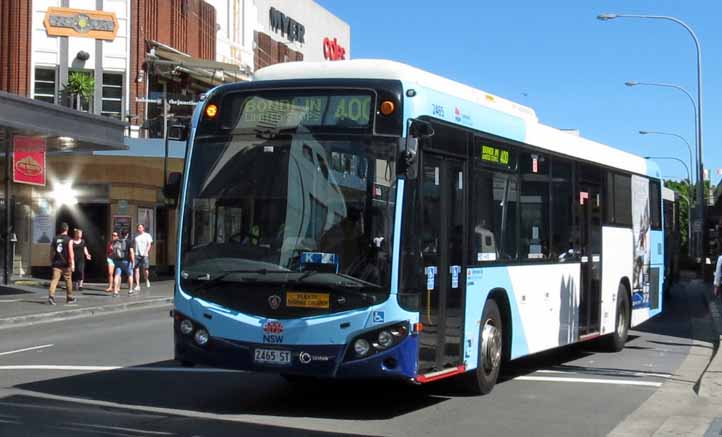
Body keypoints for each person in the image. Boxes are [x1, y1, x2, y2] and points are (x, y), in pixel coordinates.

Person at [47, 222, 75, 305]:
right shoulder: (69, 239)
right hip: (66, 264)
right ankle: (69, 298)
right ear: (67, 229)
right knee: (68, 280)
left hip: (57, 263)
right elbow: (71, 252)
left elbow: (51, 252)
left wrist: (51, 260)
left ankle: (51, 297)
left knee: (54, 280)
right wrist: (72, 263)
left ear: (60, 229)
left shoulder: (55, 239)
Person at [111, 229, 135, 296]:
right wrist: (133, 261)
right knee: (130, 275)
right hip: (126, 261)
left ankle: (115, 291)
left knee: (117, 275)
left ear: (121, 234)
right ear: (127, 235)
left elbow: (113, 250)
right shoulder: (129, 242)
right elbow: (131, 252)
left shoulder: (117, 241)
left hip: (118, 260)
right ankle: (130, 290)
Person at [133, 224, 153, 290]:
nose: (139, 228)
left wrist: (146, 252)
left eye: (140, 227)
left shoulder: (147, 235)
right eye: (138, 227)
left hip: (145, 254)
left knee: (145, 270)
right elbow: (134, 244)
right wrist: (134, 253)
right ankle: (138, 285)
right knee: (136, 269)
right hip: (137, 254)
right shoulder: (135, 235)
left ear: (143, 228)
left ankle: (147, 279)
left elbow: (149, 244)